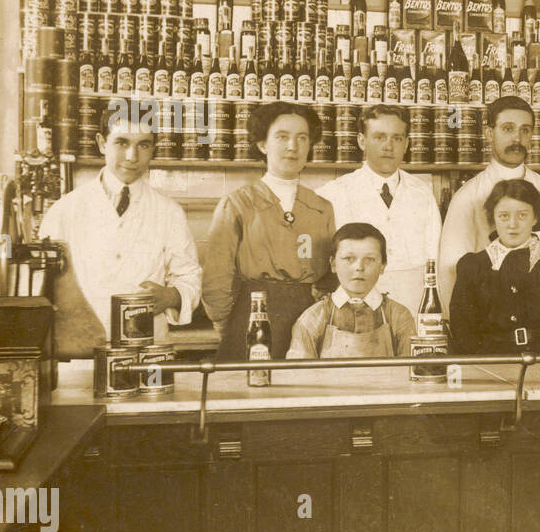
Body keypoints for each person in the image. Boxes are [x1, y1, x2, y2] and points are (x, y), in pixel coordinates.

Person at [38, 112, 200, 345]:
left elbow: (190, 278)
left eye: (143, 145)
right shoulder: (64, 210)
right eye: (121, 142)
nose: (132, 156)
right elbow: (43, 287)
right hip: (78, 353)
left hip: (147, 349)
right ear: (102, 143)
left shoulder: (170, 211)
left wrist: (172, 296)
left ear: (153, 148)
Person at [202, 101, 336, 360]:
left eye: (302, 138)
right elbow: (216, 280)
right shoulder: (238, 203)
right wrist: (231, 325)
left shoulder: (322, 208)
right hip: (252, 317)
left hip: (309, 321)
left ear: (310, 146)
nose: (292, 146)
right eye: (282, 137)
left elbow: (331, 274)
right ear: (263, 144)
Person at [437, 96, 540, 310]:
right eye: (508, 129)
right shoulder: (467, 197)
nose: (517, 138)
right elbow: (450, 270)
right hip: (489, 318)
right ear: (489, 133)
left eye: (525, 130)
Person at [317, 104, 440, 318]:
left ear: (407, 143)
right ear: (361, 141)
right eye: (379, 137)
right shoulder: (333, 193)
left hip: (413, 306)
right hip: (354, 312)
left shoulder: (423, 193)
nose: (388, 146)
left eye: (397, 138)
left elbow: (435, 260)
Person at [448, 179, 540, 355]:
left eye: (522, 215)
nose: (512, 224)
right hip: (489, 364)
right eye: (504, 216)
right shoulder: (472, 266)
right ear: (493, 218)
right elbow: (462, 329)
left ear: (535, 217)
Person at [286, 223, 416, 359]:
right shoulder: (313, 318)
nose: (359, 267)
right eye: (349, 259)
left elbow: (411, 374)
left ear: (383, 266)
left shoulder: (400, 317)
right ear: (333, 264)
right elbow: (298, 376)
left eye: (370, 260)